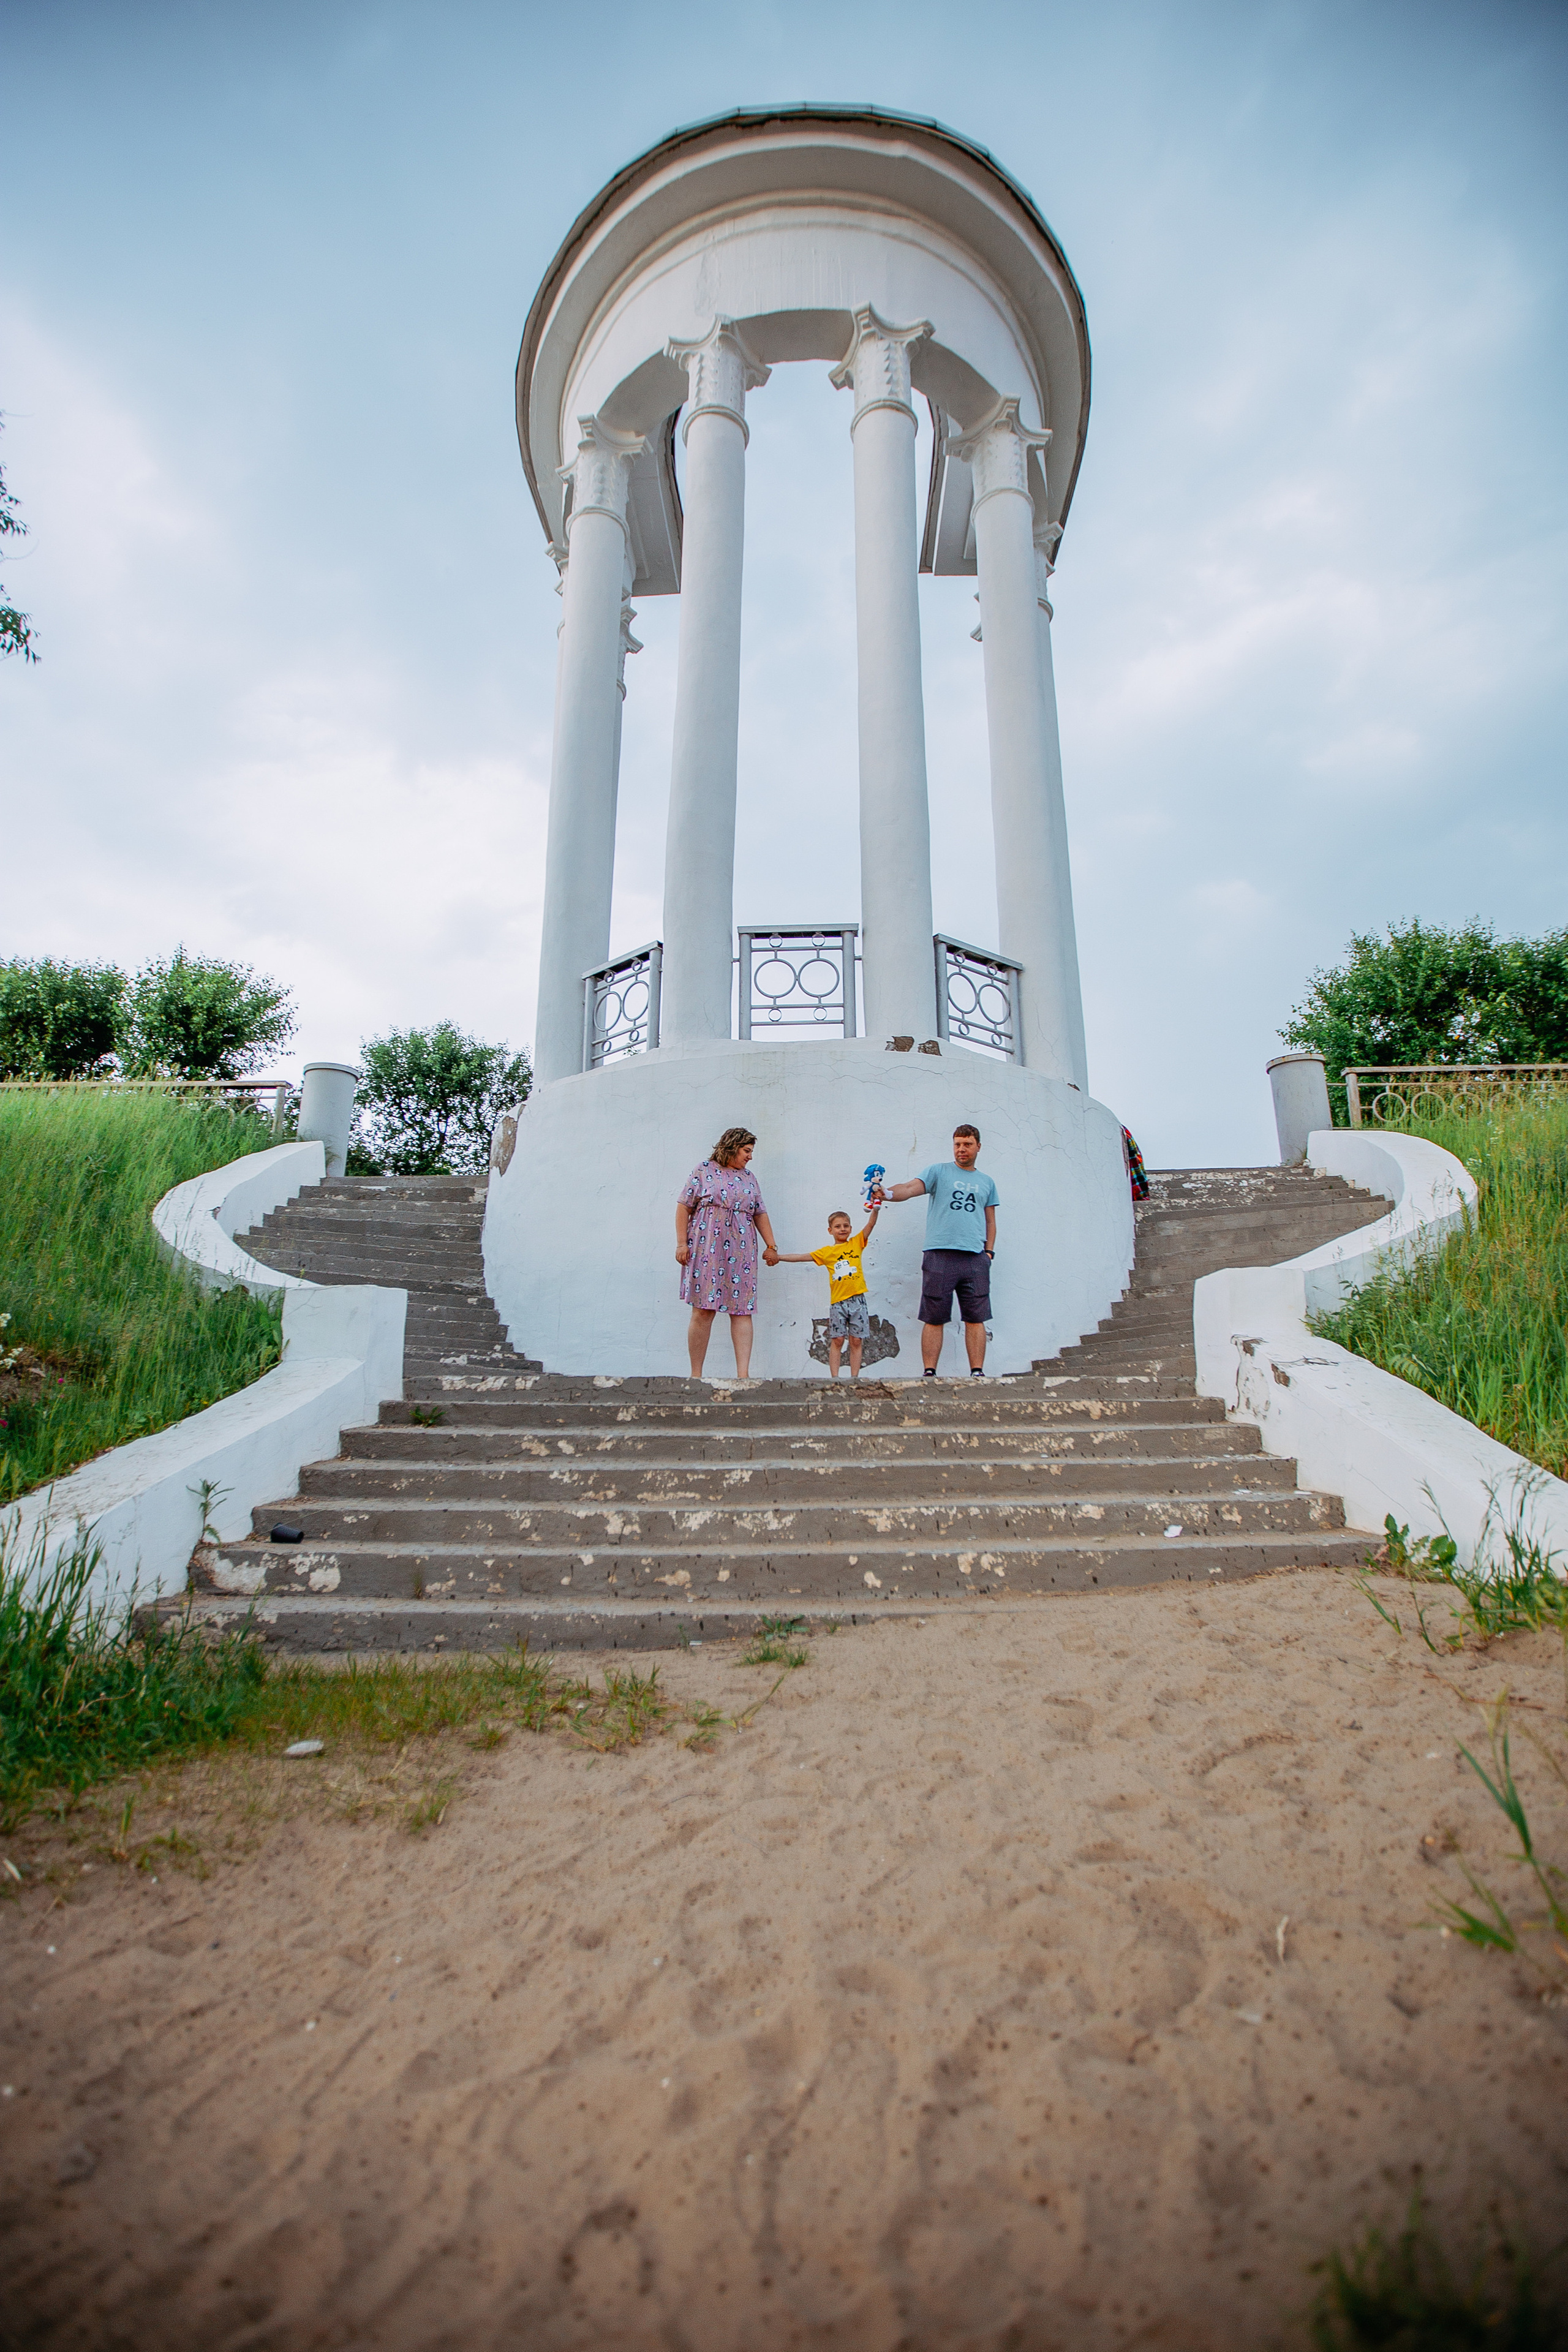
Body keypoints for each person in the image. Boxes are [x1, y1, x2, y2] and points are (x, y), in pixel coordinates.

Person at [876, 1124, 998, 1378]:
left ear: (978, 1146)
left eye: (967, 1144)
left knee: (976, 1317)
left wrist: (989, 1253)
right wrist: (886, 1193)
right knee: (934, 1316)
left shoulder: (987, 1182)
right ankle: (929, 1372)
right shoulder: (938, 1172)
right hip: (939, 1254)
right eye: (957, 1144)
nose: (961, 1149)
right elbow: (910, 1189)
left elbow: (990, 1221)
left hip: (975, 1258)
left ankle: (977, 1372)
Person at [675, 1127, 778, 1381]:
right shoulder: (704, 1170)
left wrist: (771, 1245)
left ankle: (743, 1376)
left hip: (742, 1249)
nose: (750, 1157)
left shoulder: (750, 1178)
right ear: (731, 1147)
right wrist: (681, 1244)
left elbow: (759, 1212)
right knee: (703, 1309)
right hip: (706, 1246)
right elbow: (683, 1207)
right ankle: (695, 1376)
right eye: (747, 1151)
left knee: (742, 1310)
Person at [772, 1200, 881, 1379]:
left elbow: (871, 1224)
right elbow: (801, 1257)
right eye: (838, 1226)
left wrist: (876, 1208)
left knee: (856, 1340)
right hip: (838, 1302)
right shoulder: (826, 1252)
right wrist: (779, 1257)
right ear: (830, 1231)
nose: (842, 1229)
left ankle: (855, 1378)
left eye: (846, 1226)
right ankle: (835, 1378)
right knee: (837, 1340)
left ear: (851, 1228)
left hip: (858, 1301)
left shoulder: (856, 1243)